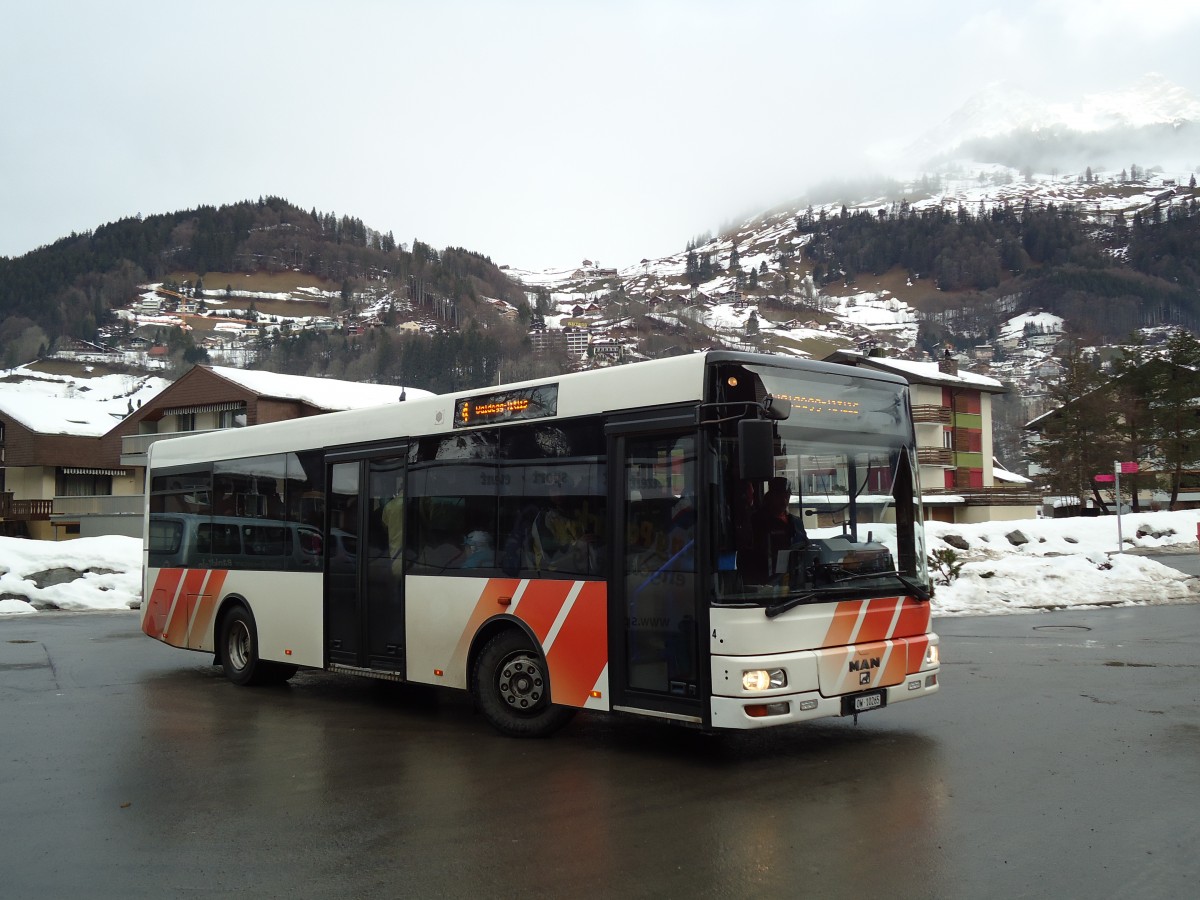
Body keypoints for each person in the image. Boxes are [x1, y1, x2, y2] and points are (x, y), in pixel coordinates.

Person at [746, 477, 807, 583]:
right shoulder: (758, 520)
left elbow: (806, 548)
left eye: (787, 496)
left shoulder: (796, 522)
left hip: (795, 579)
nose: (784, 501)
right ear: (770, 496)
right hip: (768, 581)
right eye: (779, 496)